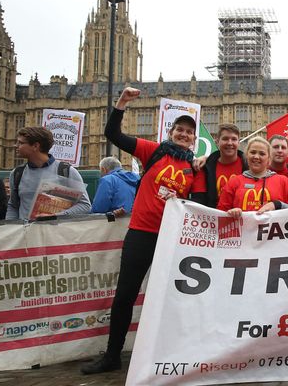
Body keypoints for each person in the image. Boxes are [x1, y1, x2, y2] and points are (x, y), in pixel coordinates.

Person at [82, 87, 197, 374]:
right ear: (171, 132)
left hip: (172, 238)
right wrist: (121, 103)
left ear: (195, 139)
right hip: (141, 233)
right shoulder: (153, 151)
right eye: (179, 130)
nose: (184, 134)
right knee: (125, 296)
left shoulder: (194, 168)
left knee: (172, 298)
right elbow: (114, 135)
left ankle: (168, 352)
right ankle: (112, 355)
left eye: (189, 132)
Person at [6, 127, 91, 220]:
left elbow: (85, 206)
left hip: (55, 232)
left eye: (21, 143)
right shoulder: (17, 173)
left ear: (35, 146)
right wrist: (11, 228)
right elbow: (13, 206)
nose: (15, 145)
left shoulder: (66, 171)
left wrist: (56, 216)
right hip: (26, 233)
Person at [217, 137, 288, 215]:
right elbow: (220, 213)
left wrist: (277, 205)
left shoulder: (283, 181)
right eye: (253, 152)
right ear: (246, 155)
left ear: (269, 159)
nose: (256, 157)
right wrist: (230, 213)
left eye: (262, 154)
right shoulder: (234, 182)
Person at [190, 123, 249, 208]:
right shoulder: (205, 167)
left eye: (234, 139)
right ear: (217, 142)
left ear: (238, 142)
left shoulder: (248, 165)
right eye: (225, 139)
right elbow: (198, 201)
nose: (230, 143)